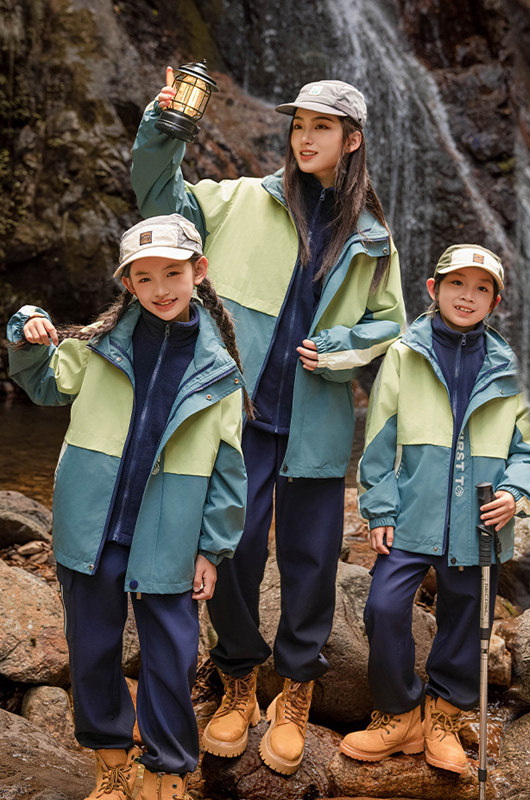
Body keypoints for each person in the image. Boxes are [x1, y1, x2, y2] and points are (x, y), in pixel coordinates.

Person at [130, 75, 406, 774]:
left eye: (321, 127)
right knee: (232, 551)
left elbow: (392, 324)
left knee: (311, 564)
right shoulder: (240, 199)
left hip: (314, 420)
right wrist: (164, 129)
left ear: (353, 140)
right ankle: (238, 680)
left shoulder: (371, 236)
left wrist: (344, 350)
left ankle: (298, 693)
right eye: (298, 125)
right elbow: (164, 201)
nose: (304, 137)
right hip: (239, 417)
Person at [6, 214, 248, 800]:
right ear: (127, 285)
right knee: (92, 649)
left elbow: (228, 471)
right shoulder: (96, 346)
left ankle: (167, 771)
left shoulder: (220, 373)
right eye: (145, 277)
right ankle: (111, 765)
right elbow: (43, 387)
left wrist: (212, 549)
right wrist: (24, 332)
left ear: (200, 272)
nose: (161, 288)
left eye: (173, 272)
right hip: (92, 529)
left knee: (172, 654)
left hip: (170, 534)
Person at [339, 244, 530, 773]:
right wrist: (380, 509)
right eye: (457, 284)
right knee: (384, 607)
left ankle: (445, 716)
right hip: (413, 512)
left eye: (481, 289)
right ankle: (398, 712)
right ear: (433, 290)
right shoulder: (405, 355)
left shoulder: (508, 365)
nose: (468, 296)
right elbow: (380, 436)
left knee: (465, 618)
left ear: (495, 301)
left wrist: (515, 493)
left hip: (479, 520)